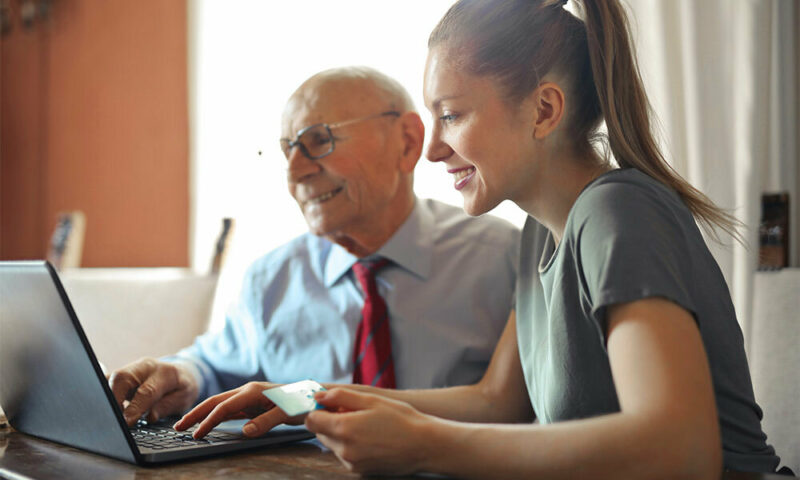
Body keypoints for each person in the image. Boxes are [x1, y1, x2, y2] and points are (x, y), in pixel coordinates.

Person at [174, 1, 787, 477]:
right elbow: (498, 401)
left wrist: (422, 444)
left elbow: (680, 452)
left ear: (544, 111)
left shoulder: (617, 213)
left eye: (452, 115)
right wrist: (308, 397)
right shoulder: (539, 236)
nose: (434, 148)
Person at [108, 66, 519, 427]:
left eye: (318, 141)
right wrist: (181, 376)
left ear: (408, 142)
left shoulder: (503, 259)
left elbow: (517, 408)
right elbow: (215, 366)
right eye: (288, 150)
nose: (295, 173)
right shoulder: (272, 278)